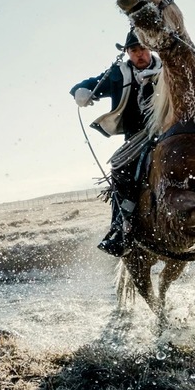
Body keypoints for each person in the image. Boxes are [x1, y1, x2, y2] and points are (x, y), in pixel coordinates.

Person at [70, 30, 161, 257]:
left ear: (149, 48)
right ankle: (121, 227)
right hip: (136, 138)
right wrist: (81, 92)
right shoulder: (117, 75)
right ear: (127, 53)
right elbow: (91, 83)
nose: (139, 54)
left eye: (142, 49)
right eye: (133, 51)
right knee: (119, 168)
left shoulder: (167, 69)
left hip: (169, 130)